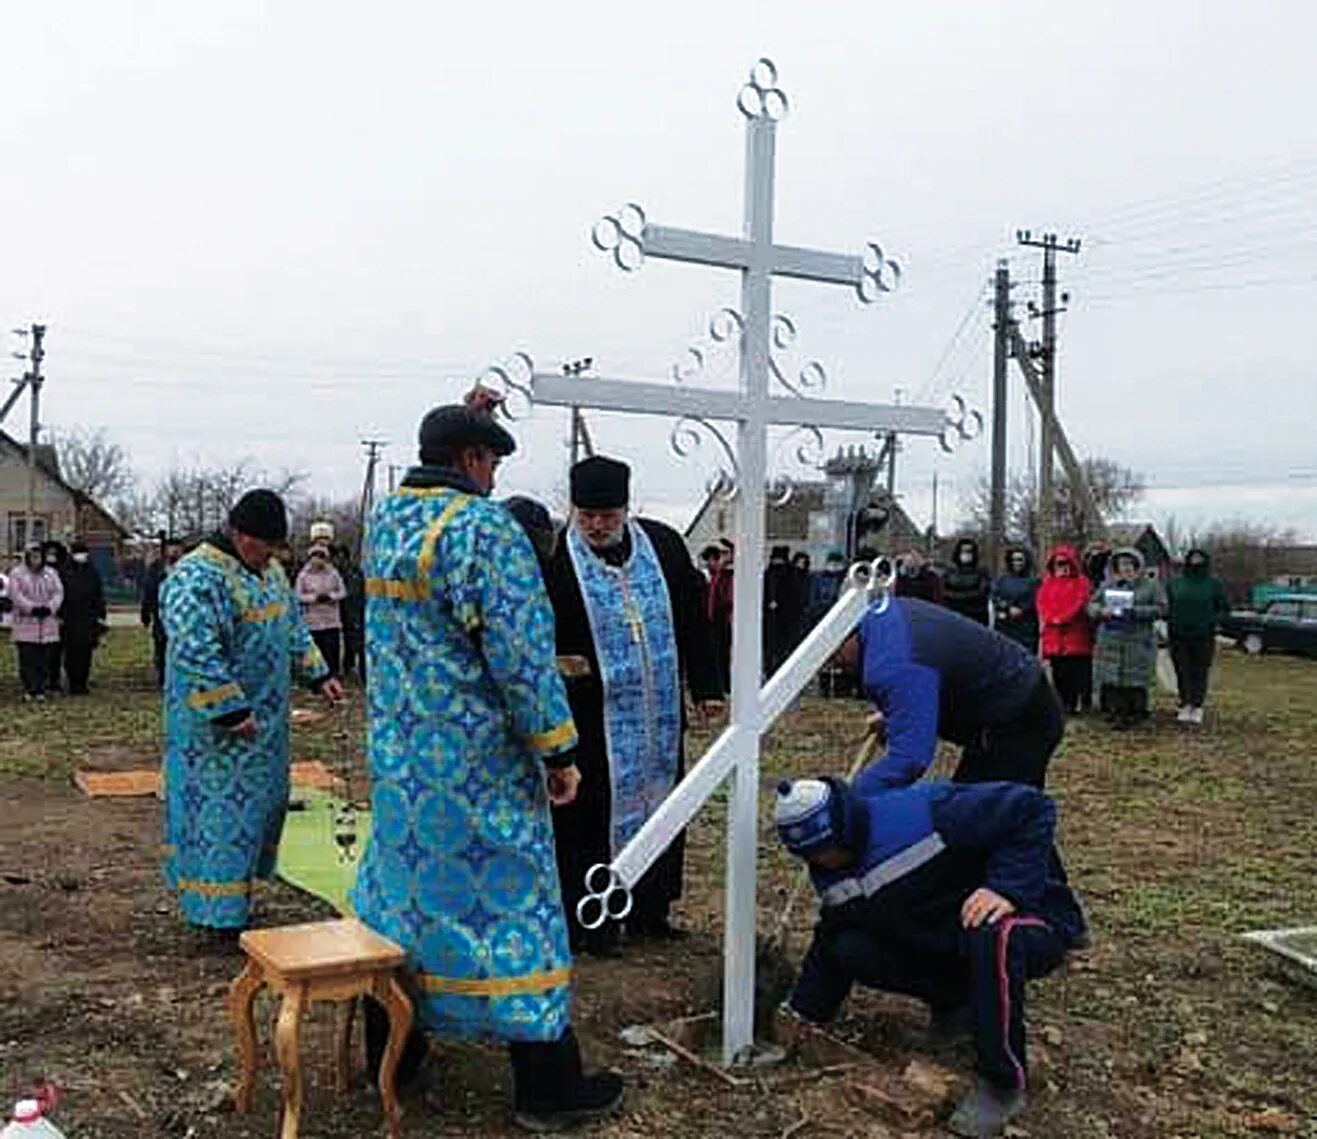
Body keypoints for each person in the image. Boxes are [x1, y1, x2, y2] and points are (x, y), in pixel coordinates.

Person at [350, 395, 623, 1130]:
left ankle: (394, 1055)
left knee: (405, 902)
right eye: (492, 461)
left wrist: (463, 405)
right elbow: (523, 656)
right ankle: (547, 1085)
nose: (497, 477)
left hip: (405, 767)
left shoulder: (383, 525)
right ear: (472, 460)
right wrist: (559, 749)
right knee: (515, 910)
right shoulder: (483, 529)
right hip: (479, 768)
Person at [774, 774, 1086, 1138]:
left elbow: (1032, 807)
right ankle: (955, 1002)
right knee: (851, 947)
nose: (825, 861)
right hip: (948, 935)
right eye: (813, 855)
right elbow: (830, 936)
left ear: (844, 826)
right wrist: (803, 1012)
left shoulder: (927, 813)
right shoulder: (829, 872)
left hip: (1030, 918)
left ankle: (1002, 1082)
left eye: (828, 849)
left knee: (992, 934)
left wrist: (1006, 888)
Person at [544, 455, 722, 954]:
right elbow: (542, 637)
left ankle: (651, 907)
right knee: (587, 816)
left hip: (657, 711)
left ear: (625, 508)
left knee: (664, 803)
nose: (598, 526)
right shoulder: (556, 559)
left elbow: (693, 618)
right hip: (591, 718)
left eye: (608, 515)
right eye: (588, 517)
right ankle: (591, 918)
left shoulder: (662, 545)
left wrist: (706, 686)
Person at [161, 489, 343, 945]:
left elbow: (293, 630)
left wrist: (318, 674)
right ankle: (217, 916)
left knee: (259, 809)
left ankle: (238, 898)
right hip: (215, 737)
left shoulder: (272, 571)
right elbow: (194, 650)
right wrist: (229, 709)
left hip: (266, 725)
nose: (270, 556)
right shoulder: (195, 577)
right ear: (240, 535)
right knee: (219, 819)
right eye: (264, 545)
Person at [847, 596, 1064, 790]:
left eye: (833, 654)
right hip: (1011, 703)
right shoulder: (884, 618)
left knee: (979, 820)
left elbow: (909, 759)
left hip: (1019, 718)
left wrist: (847, 801)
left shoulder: (893, 664)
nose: (832, 665)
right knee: (973, 816)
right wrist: (898, 714)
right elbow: (931, 667)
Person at [1089, 547, 1162, 729]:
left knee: (1136, 680)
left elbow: (1161, 608)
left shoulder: (1150, 586)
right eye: (1122, 564)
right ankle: (1116, 713)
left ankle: (1137, 714)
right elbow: (1091, 605)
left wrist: (1135, 611)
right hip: (1111, 638)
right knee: (1114, 679)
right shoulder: (1108, 585)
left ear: (1138, 565)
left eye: (1130, 563)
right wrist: (1100, 611)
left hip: (1138, 639)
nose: (1126, 567)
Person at [1165, 549, 1230, 725]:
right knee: (1182, 670)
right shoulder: (1175, 583)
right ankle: (1185, 704)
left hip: (1204, 635)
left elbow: (1224, 609)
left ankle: (1197, 706)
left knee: (1199, 671)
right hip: (1178, 634)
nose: (1196, 561)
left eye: (1199, 559)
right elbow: (1166, 606)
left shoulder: (1213, 583)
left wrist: (1212, 621)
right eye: (1193, 558)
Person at [1036, 546, 1094, 715]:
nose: (1062, 568)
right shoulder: (1047, 583)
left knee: (1076, 672)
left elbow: (1079, 603)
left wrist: (1062, 618)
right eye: (1059, 564)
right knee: (1059, 671)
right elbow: (1042, 603)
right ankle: (1062, 703)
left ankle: (1077, 703)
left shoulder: (1081, 582)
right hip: (1054, 637)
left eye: (1066, 563)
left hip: (1076, 635)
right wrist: (1051, 618)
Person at [8, 544, 64, 701]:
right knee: (28, 658)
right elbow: (16, 594)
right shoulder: (17, 573)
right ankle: (29, 688)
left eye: (39, 556)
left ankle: (41, 688)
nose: (36, 560)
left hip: (47, 624)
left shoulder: (51, 574)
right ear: (27, 557)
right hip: (26, 623)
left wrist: (50, 608)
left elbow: (58, 592)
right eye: (33, 556)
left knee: (44, 659)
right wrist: (31, 608)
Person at [59, 540, 106, 695]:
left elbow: (98, 595)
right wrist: (61, 615)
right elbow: (60, 594)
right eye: (79, 553)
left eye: (84, 553)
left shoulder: (92, 572)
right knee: (71, 652)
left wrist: (100, 615)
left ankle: (82, 682)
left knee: (86, 652)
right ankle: (73, 682)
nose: (82, 556)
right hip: (70, 618)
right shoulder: (64, 571)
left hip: (88, 618)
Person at [294, 543, 348, 677]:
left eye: (321, 556)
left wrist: (330, 596)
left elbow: (343, 592)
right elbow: (297, 596)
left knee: (332, 649)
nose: (318, 559)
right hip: (312, 620)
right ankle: (317, 676)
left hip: (331, 619)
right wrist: (314, 598)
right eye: (315, 555)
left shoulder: (333, 573)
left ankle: (334, 673)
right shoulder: (303, 575)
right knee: (317, 650)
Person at [142, 539, 184, 688]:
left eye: (177, 549)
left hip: (183, 614)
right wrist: (146, 612)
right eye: (171, 549)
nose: (174, 552)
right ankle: (163, 677)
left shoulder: (188, 568)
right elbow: (149, 590)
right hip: (162, 613)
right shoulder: (156, 569)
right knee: (161, 645)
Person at [991, 546, 1040, 654]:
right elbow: (995, 597)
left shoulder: (1034, 582)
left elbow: (1035, 600)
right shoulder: (1001, 581)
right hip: (1004, 628)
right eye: (1013, 559)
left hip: (1026, 629)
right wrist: (1006, 607)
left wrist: (1022, 609)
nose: (1016, 563)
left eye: (1020, 559)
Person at [703, 541, 734, 699]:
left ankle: (726, 686)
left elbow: (728, 599)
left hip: (722, 620)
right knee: (714, 655)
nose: (709, 564)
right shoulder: (711, 577)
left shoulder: (726, 576)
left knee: (722, 656)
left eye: (712, 560)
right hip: (711, 620)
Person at [763, 545, 801, 676]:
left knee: (783, 649)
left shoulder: (791, 575)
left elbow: (795, 598)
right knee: (769, 650)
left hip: (785, 620)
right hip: (769, 619)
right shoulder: (767, 574)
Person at [332, 544, 367, 682]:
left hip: (354, 610)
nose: (338, 560)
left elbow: (355, 592)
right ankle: (347, 667)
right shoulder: (334, 572)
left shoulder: (354, 572)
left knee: (358, 641)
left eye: (341, 557)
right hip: (338, 612)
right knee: (347, 641)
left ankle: (362, 672)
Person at [942, 537, 991, 625]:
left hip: (975, 616)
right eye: (963, 551)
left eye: (969, 551)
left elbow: (982, 592)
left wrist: (957, 596)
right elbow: (943, 591)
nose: (966, 554)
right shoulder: (950, 571)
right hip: (954, 616)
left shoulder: (981, 571)